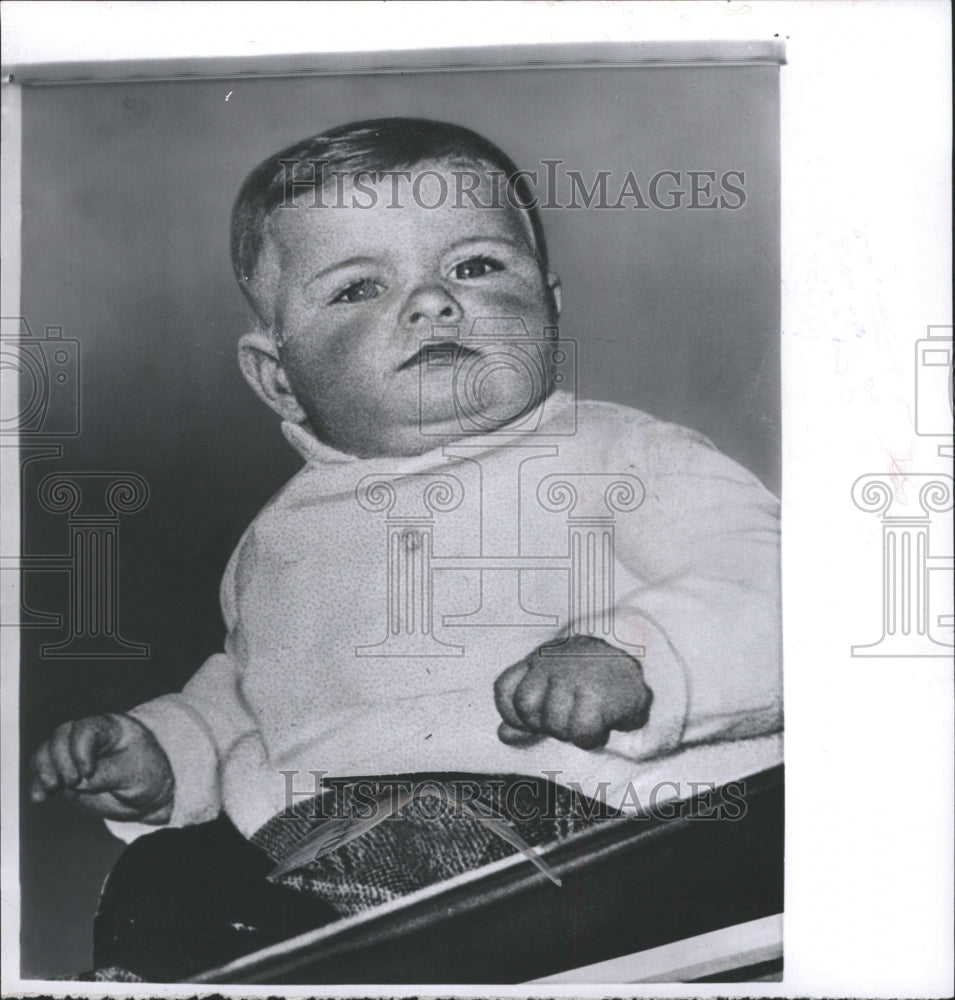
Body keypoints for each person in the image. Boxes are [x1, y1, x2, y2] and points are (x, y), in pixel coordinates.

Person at [29, 118, 782, 981]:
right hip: (330, 847)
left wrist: (633, 652)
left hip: (600, 830)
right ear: (280, 375)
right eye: (357, 288)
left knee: (397, 827)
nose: (432, 302)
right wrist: (169, 753)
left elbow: (774, 589)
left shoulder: (620, 454)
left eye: (474, 266)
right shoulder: (275, 541)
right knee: (162, 875)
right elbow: (259, 700)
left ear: (551, 304)